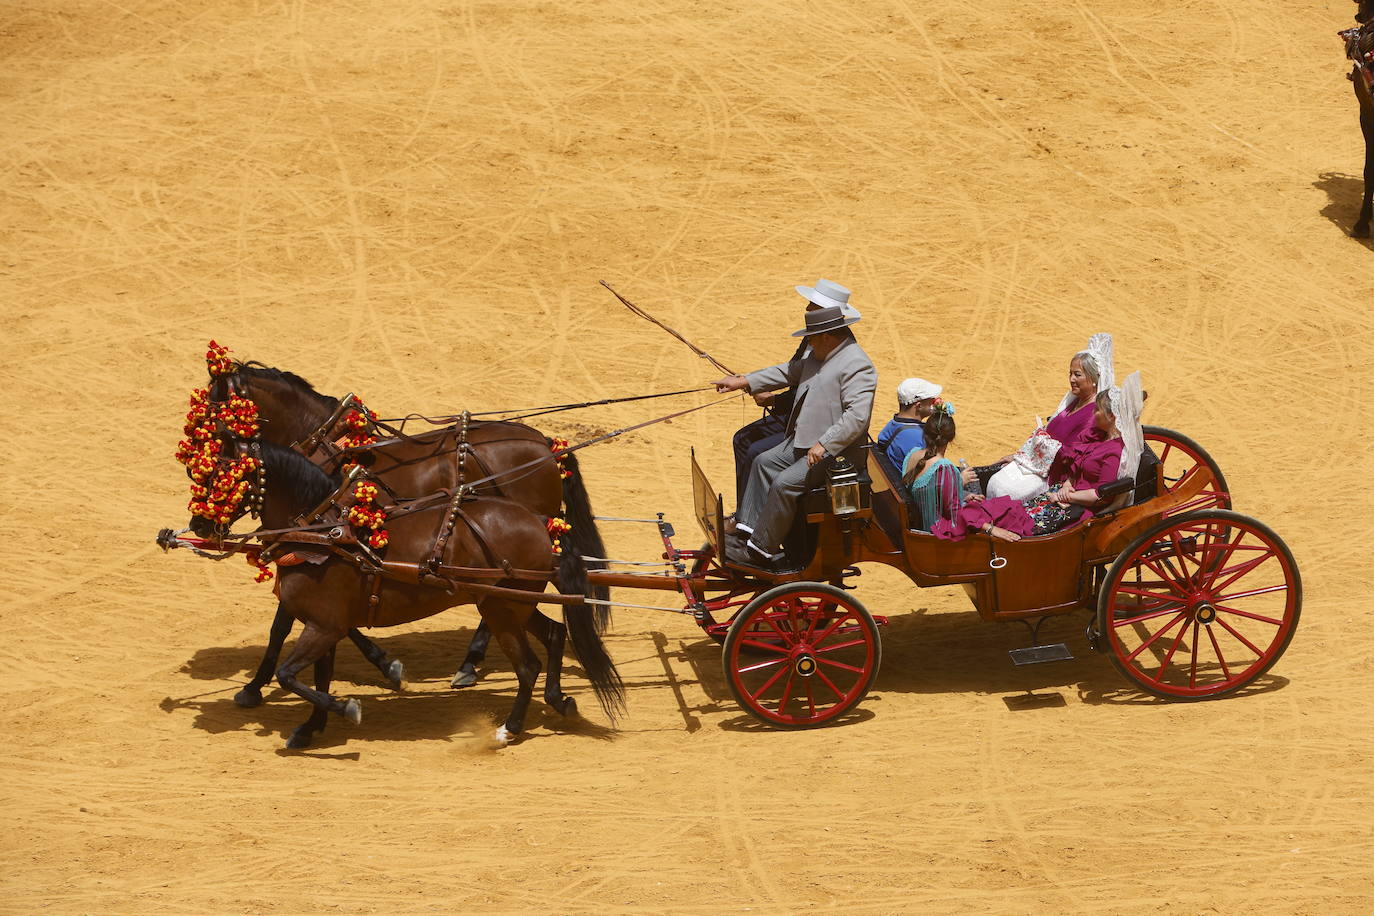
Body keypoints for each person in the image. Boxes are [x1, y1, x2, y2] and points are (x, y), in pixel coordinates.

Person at [713, 305, 877, 566]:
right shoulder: (822, 355)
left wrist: (825, 443)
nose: (808, 343)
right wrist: (743, 381)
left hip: (837, 455)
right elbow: (787, 372)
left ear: (826, 336)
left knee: (784, 483)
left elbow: (857, 417)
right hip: (805, 442)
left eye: (811, 337)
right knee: (763, 463)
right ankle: (747, 531)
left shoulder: (858, 365)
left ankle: (760, 551)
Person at [941, 372, 1144, 542]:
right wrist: (1067, 484)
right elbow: (1077, 465)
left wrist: (1066, 496)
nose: (1095, 413)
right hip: (1062, 496)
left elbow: (1102, 495)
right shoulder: (1098, 438)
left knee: (1011, 519)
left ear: (1112, 416)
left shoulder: (1114, 451)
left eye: (1098, 410)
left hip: (1074, 509)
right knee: (1006, 510)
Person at [731, 279, 861, 503]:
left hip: (811, 423)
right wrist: (747, 381)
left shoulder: (837, 346)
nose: (808, 308)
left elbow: (814, 393)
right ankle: (745, 509)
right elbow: (793, 371)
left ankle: (750, 513)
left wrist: (774, 400)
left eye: (813, 305)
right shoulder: (817, 336)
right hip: (794, 412)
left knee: (754, 451)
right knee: (743, 439)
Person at [979, 333, 1114, 501]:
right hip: (1037, 463)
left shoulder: (1094, 414)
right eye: (1070, 373)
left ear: (1094, 379)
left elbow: (1073, 455)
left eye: (1077, 375)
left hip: (1055, 474)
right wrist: (1020, 455)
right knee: (996, 482)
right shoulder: (1074, 402)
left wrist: (1036, 448)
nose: (1071, 379)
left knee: (1006, 491)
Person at [901, 403, 964, 532]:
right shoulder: (945, 469)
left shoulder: (912, 455)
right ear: (951, 439)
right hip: (936, 534)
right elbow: (955, 516)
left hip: (919, 527)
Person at [876, 377, 941, 471]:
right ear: (919, 406)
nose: (934, 402)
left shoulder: (892, 424)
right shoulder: (917, 438)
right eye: (931, 400)